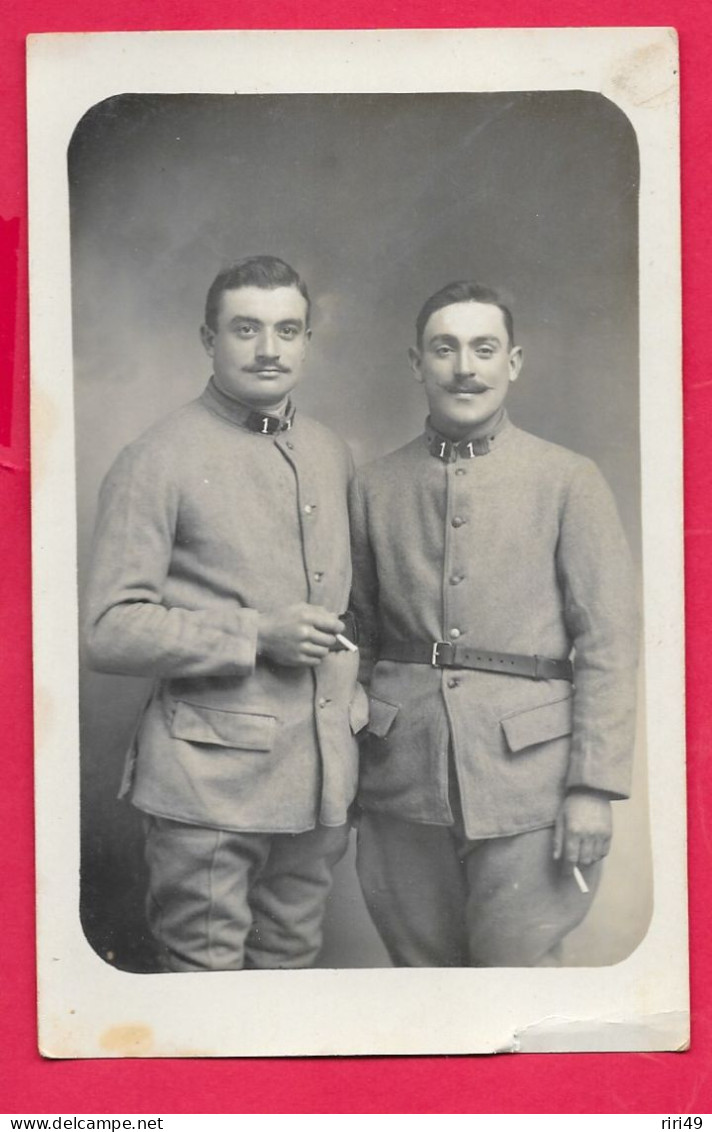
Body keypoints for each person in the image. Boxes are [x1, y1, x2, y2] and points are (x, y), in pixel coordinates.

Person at [83, 255, 367, 972]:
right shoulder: (157, 457)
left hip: (319, 786)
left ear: (306, 342)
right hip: (207, 790)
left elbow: (348, 602)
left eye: (286, 330)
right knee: (208, 997)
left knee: (290, 976)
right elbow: (109, 629)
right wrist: (255, 633)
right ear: (208, 340)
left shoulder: (331, 452)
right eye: (246, 329)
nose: (268, 349)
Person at [349, 280, 639, 967]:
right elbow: (352, 640)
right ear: (416, 363)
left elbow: (609, 645)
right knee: (423, 994)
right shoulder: (373, 486)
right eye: (444, 349)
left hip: (530, 782)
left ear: (513, 361)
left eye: (484, 348)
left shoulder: (569, 480)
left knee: (518, 995)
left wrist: (592, 787)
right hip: (402, 779)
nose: (464, 367)